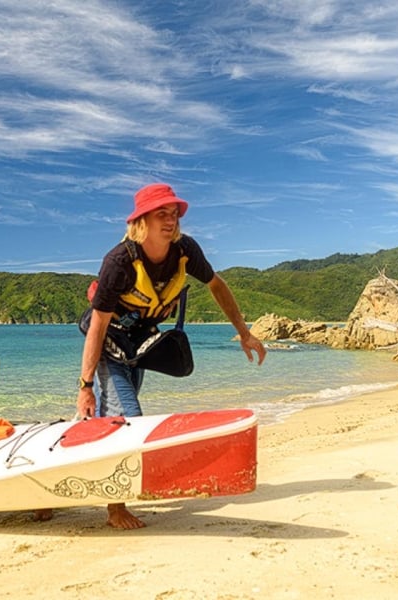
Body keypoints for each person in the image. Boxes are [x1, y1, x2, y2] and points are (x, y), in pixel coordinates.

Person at [75, 182, 267, 529]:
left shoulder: (185, 250)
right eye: (161, 213)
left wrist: (244, 331)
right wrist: (84, 384)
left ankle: (80, 443)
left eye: (174, 213)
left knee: (116, 411)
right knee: (126, 418)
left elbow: (216, 285)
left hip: (140, 345)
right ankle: (114, 507)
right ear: (140, 221)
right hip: (109, 344)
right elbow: (98, 325)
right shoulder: (119, 261)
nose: (171, 220)